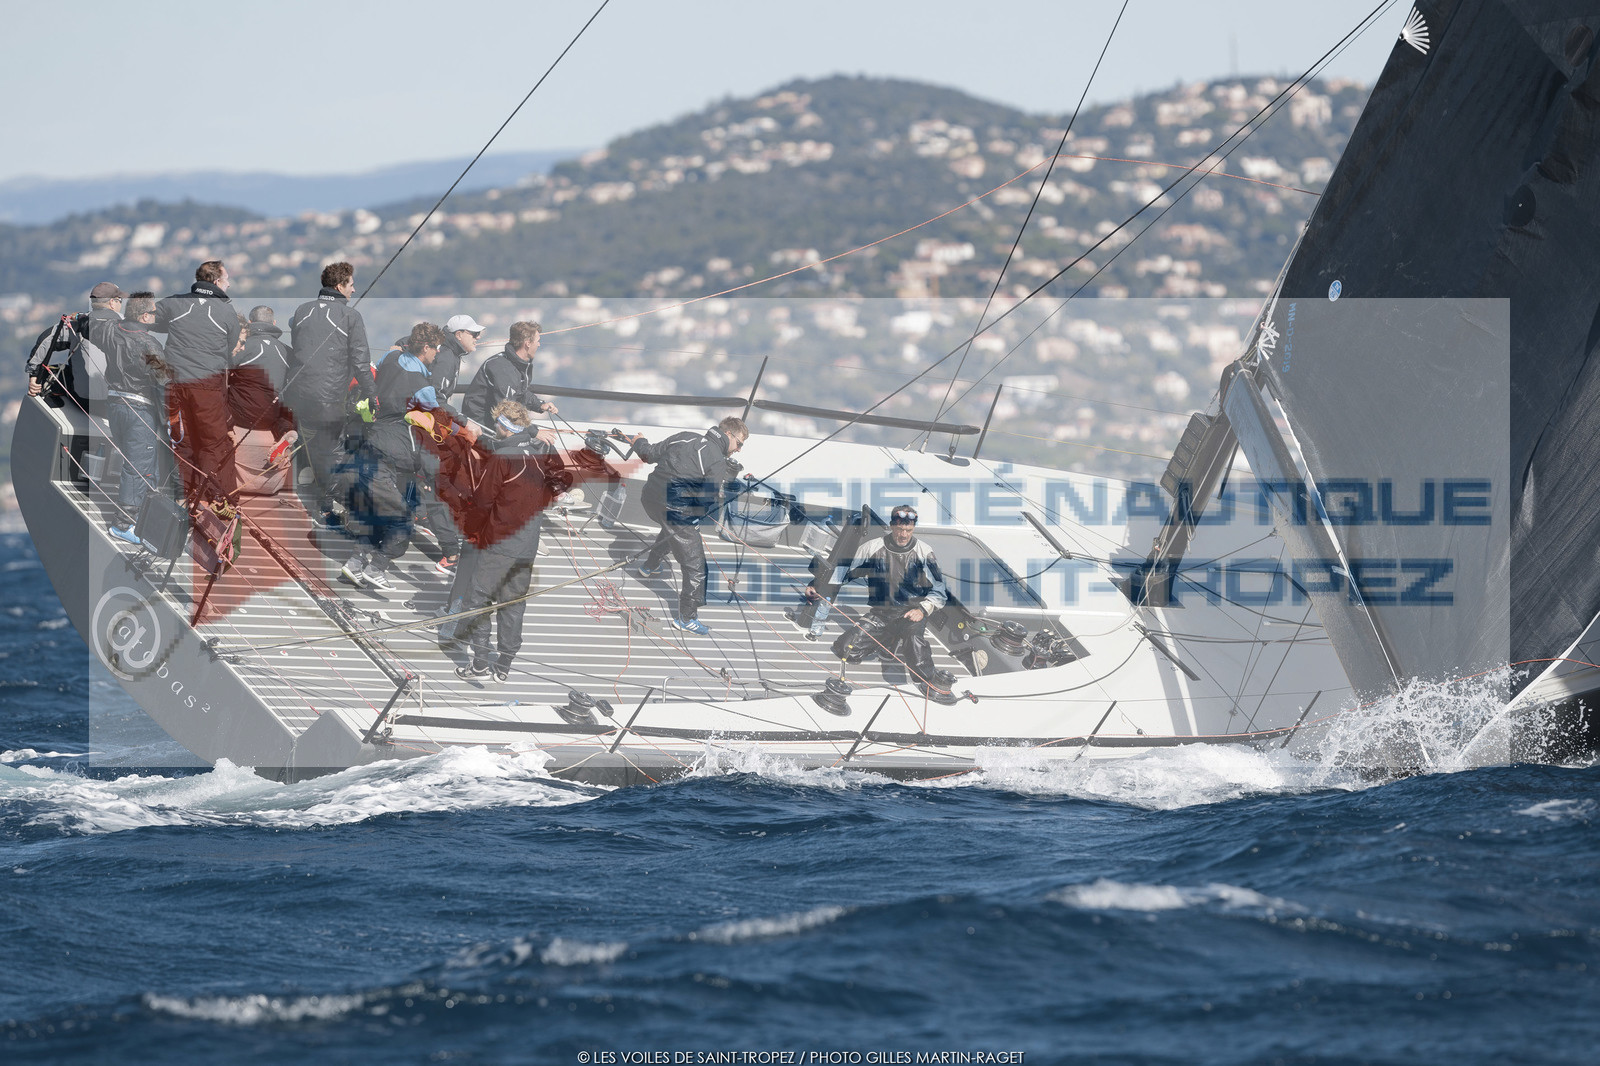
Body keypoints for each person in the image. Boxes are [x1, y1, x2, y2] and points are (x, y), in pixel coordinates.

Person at [454, 400, 564, 682]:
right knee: (513, 604)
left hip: (500, 545)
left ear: (503, 428)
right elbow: (558, 482)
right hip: (527, 545)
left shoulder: (502, 459)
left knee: (478, 600)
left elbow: (482, 501)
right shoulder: (540, 452)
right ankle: (503, 666)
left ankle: (479, 664)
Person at [340, 321, 448, 590]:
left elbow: (383, 363)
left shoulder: (391, 357)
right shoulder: (423, 385)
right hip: (392, 452)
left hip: (370, 440)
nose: (437, 354)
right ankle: (378, 566)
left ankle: (355, 562)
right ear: (426, 348)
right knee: (401, 519)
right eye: (436, 349)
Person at [805, 504, 951, 701]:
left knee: (915, 647)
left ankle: (935, 685)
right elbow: (845, 572)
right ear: (892, 526)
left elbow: (940, 590)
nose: (903, 535)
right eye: (900, 529)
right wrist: (817, 584)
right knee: (845, 650)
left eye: (908, 530)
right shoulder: (872, 548)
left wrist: (923, 610)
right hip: (882, 614)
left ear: (913, 529)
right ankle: (888, 638)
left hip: (912, 614)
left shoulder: (925, 552)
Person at [631, 416, 749, 635]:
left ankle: (649, 566)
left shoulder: (684, 437)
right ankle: (687, 618)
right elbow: (707, 501)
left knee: (673, 531)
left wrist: (638, 441)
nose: (739, 449)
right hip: (675, 512)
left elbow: (648, 454)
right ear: (728, 435)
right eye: (739, 443)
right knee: (697, 568)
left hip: (649, 499)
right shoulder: (717, 461)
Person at [285, 262, 374, 521]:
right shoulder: (351, 316)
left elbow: (299, 348)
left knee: (313, 451)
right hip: (329, 399)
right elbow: (361, 362)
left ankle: (323, 502)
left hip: (299, 398)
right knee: (334, 454)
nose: (354, 290)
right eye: (351, 284)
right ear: (340, 286)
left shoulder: (302, 311)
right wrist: (371, 395)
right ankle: (345, 507)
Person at [150, 260, 242, 508]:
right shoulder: (225, 311)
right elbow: (230, 344)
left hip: (175, 383)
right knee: (213, 443)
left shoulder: (174, 303)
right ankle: (216, 500)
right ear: (215, 282)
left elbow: (148, 319)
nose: (229, 284)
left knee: (182, 440)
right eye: (226, 279)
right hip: (207, 386)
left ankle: (183, 497)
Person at [97, 289, 171, 542]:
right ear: (144, 316)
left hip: (115, 405)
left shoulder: (111, 330)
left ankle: (139, 517)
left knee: (142, 466)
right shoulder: (149, 344)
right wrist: (171, 418)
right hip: (139, 409)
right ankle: (123, 524)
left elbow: (92, 321)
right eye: (153, 312)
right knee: (139, 468)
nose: (155, 316)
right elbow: (163, 383)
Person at [461, 320, 558, 441]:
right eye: (538, 341)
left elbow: (519, 392)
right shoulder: (503, 368)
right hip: (483, 428)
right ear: (528, 343)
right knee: (533, 444)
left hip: (498, 422)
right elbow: (507, 410)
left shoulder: (516, 363)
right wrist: (534, 432)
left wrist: (540, 405)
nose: (539, 345)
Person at [228, 304, 295, 439]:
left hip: (242, 417)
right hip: (272, 417)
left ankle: (227, 428)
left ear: (250, 323)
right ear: (274, 323)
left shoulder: (240, 347)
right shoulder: (287, 352)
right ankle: (284, 432)